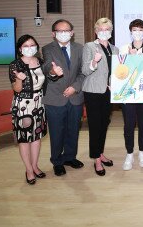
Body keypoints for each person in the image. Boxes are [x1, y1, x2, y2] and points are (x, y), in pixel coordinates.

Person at [10, 35, 61, 184]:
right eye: (25, 46)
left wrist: (54, 73)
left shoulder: (40, 61)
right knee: (25, 139)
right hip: (23, 105)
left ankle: (35, 166)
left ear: (36, 47)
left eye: (32, 45)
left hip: (39, 103)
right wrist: (19, 78)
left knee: (36, 137)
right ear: (20, 49)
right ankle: (28, 169)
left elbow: (49, 78)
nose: (29, 48)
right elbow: (17, 89)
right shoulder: (15, 65)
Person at [42, 19, 85, 176]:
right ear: (53, 34)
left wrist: (75, 87)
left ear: (72, 33)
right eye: (60, 31)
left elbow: (83, 72)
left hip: (75, 96)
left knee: (73, 130)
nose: (64, 33)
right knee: (57, 131)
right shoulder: (47, 49)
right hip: (55, 98)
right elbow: (47, 66)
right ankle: (57, 161)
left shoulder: (80, 48)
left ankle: (70, 157)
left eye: (67, 31)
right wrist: (53, 72)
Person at [82, 17, 119, 176]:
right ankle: (96, 159)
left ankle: (100, 152)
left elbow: (116, 71)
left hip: (108, 92)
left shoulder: (115, 49)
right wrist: (94, 62)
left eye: (107, 29)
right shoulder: (90, 46)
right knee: (95, 126)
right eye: (101, 29)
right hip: (93, 92)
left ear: (111, 31)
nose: (104, 32)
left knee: (104, 124)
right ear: (96, 31)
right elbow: (85, 70)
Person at [119, 19, 143, 171]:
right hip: (127, 93)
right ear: (130, 32)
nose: (137, 32)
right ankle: (129, 153)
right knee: (129, 125)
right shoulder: (123, 48)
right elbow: (119, 72)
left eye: (140, 30)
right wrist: (129, 58)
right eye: (134, 30)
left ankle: (142, 152)